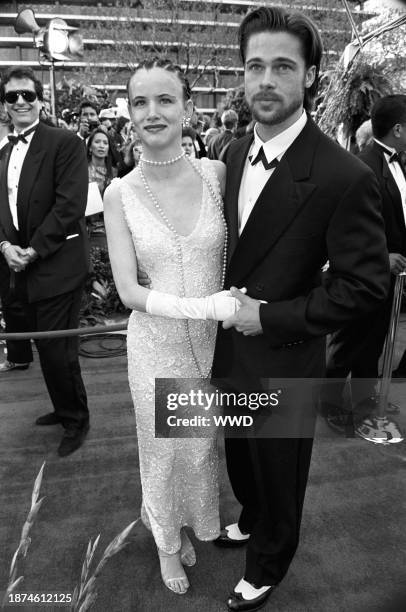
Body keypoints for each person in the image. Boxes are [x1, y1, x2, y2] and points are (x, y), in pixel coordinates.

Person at [210, 7, 389, 611]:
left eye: (282, 67)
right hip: (231, 346)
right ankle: (251, 514)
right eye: (254, 66)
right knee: (241, 451)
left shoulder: (344, 174)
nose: (265, 80)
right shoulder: (234, 153)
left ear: (310, 75)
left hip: (285, 350)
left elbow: (364, 287)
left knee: (278, 464)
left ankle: (270, 560)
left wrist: (271, 316)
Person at [104, 57, 239, 596]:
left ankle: (187, 522)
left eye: (165, 100)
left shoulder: (216, 174)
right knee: (162, 447)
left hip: (213, 347)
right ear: (129, 113)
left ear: (187, 106)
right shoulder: (120, 193)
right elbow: (128, 292)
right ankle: (165, 542)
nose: (152, 112)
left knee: (201, 445)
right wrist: (205, 308)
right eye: (141, 102)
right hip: (156, 346)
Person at [0, 66, 90, 457]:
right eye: (11, 96)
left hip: (56, 264)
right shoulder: (3, 152)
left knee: (59, 351)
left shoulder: (65, 142)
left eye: (27, 95)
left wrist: (32, 250)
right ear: (4, 104)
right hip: (19, 267)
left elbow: (71, 205)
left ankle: (77, 420)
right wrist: (5, 246)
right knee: (41, 345)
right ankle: (62, 407)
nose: (20, 101)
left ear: (40, 100)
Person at [325, 95, 406, 422]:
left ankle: (363, 399)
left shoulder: (398, 161)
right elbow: (342, 225)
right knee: (347, 342)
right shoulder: (361, 165)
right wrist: (381, 256)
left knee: (373, 340)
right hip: (363, 274)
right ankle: (328, 403)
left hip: (389, 279)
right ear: (398, 129)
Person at [0, 103, 33, 373]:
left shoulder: (23, 148)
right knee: (10, 299)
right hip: (4, 240)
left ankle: (25, 354)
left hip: (27, 237)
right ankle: (18, 356)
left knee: (19, 297)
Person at [87, 127, 117, 196]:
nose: (101, 146)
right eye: (97, 142)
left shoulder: (114, 172)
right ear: (90, 148)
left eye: (105, 143)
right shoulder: (82, 170)